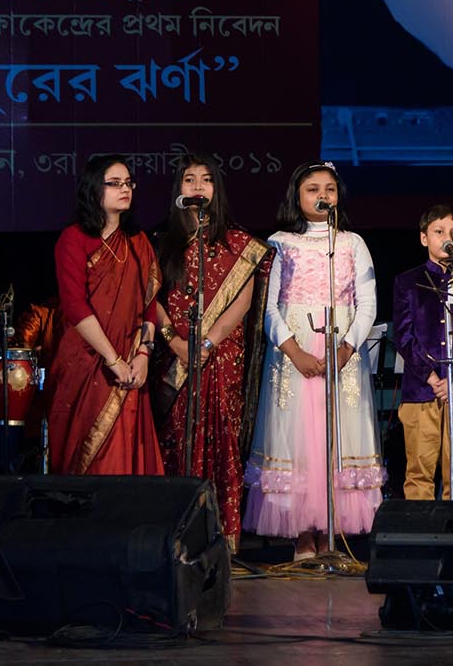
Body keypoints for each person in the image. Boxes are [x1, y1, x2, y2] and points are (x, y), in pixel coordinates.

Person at [243, 162, 385, 559]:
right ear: (297, 196)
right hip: (295, 354)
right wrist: (295, 351)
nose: (322, 195)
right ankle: (302, 534)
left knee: (338, 436)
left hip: (342, 353)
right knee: (297, 439)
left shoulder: (352, 243)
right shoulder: (280, 243)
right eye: (312, 189)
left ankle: (331, 533)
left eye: (329, 189)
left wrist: (346, 349)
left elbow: (367, 304)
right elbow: (269, 309)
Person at [153, 154, 268, 546]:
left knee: (221, 440)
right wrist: (175, 342)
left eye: (206, 180)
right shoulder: (161, 244)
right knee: (174, 441)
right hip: (174, 357)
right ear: (178, 189)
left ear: (217, 190)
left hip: (220, 357)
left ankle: (220, 541)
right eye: (189, 179)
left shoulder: (239, 245)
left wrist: (206, 343)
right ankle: (174, 539)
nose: (198, 186)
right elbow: (151, 299)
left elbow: (243, 302)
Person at [46, 155, 163, 476]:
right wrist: (113, 360)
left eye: (128, 183)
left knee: (126, 455)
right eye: (114, 183)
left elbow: (149, 305)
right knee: (89, 459)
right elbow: (75, 306)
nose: (125, 189)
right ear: (94, 189)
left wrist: (143, 355)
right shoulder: (74, 239)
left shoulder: (139, 243)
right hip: (87, 361)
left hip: (131, 362)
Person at [391, 204, 453, 500]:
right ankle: (419, 526)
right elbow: (404, 336)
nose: (447, 238)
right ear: (424, 238)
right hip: (421, 391)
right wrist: (432, 378)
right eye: (439, 232)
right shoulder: (407, 282)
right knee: (419, 472)